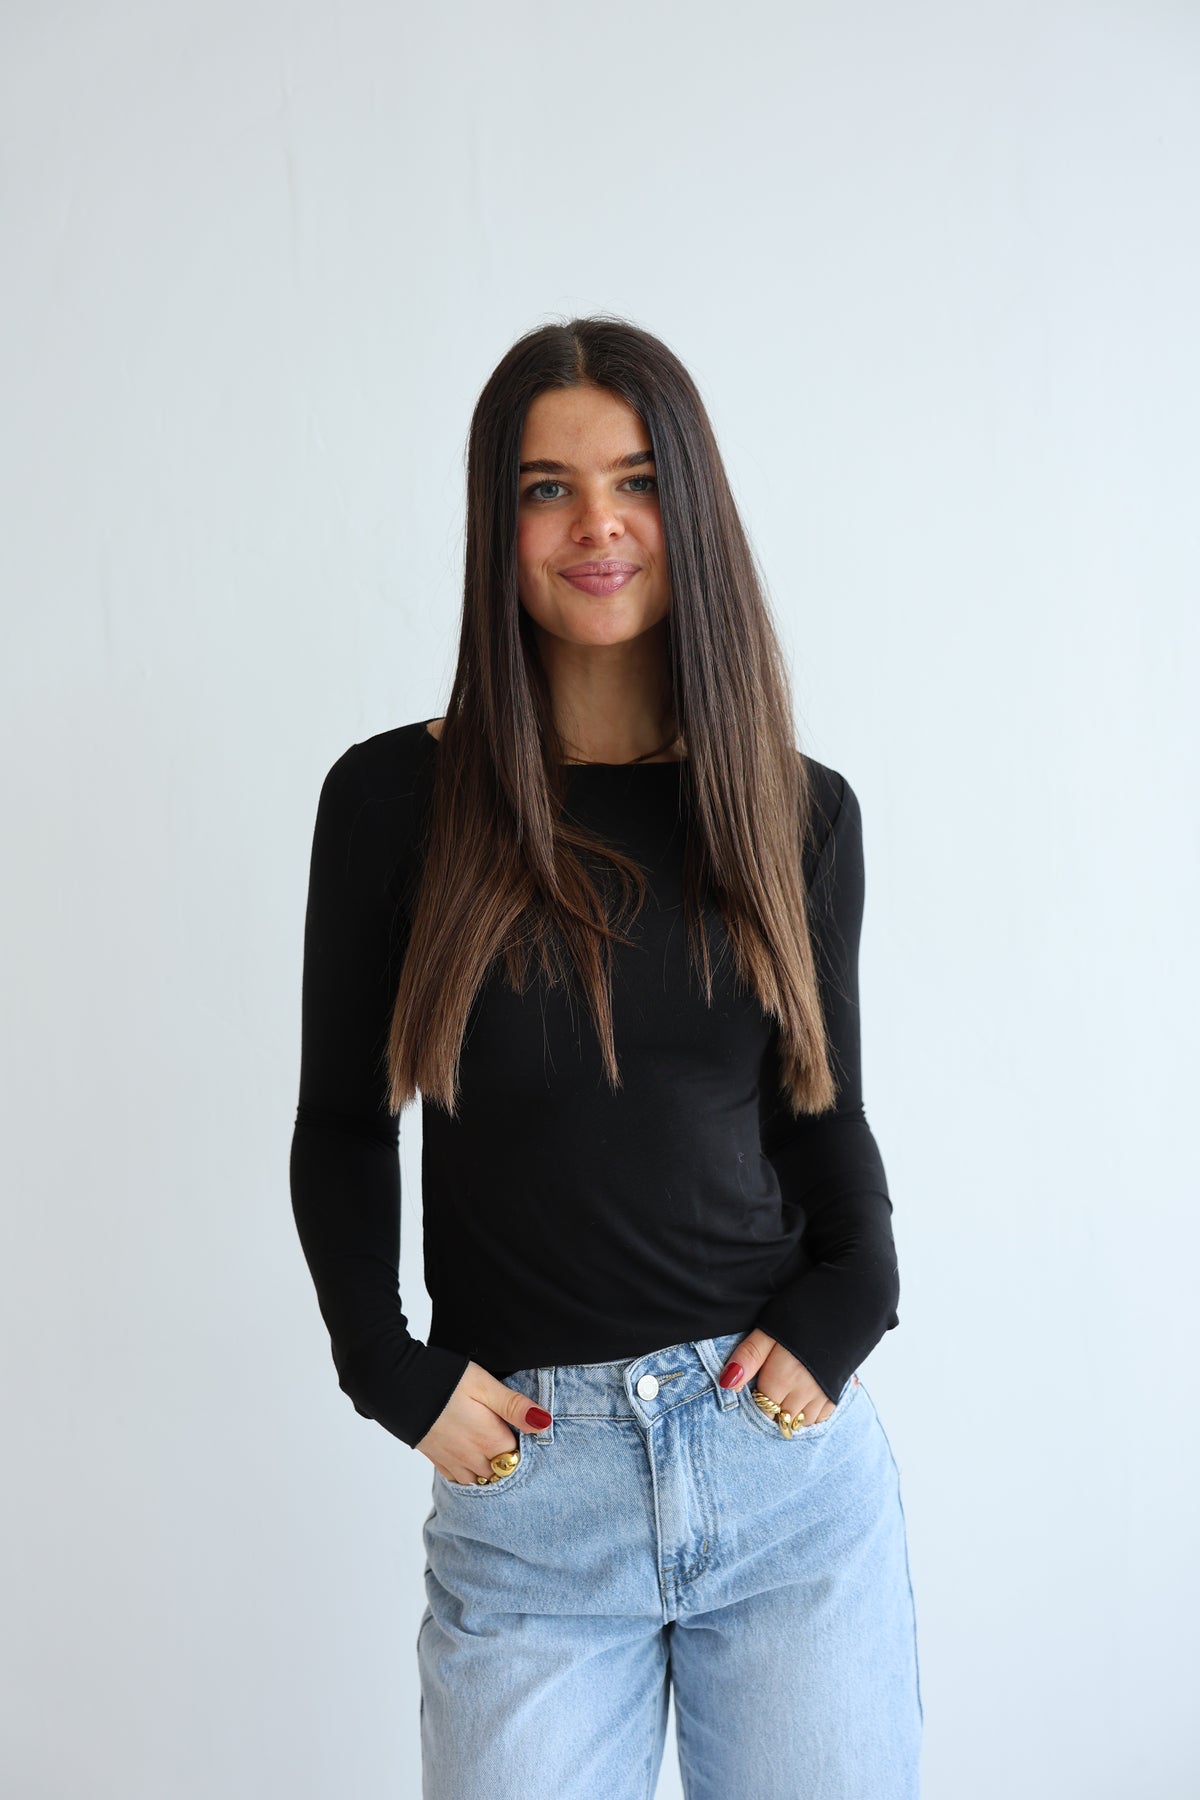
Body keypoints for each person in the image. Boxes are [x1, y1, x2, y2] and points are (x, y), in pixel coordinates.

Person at [289, 316, 924, 1799]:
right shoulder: (395, 802)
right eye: (547, 488)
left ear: (689, 507)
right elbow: (342, 1125)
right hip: (532, 1498)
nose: (598, 525)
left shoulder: (796, 810)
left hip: (781, 1471)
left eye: (636, 480)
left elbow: (822, 1110)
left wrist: (861, 1289)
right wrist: (384, 1365)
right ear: (497, 521)